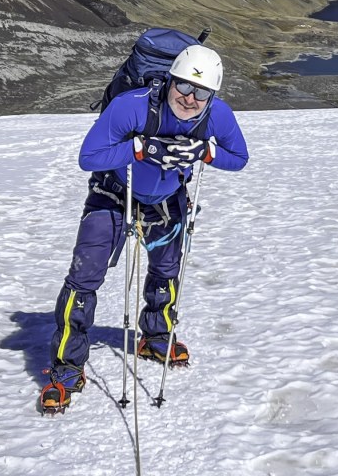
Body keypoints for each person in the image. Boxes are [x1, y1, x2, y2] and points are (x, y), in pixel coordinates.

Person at [40, 44, 249, 412]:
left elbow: (240, 159)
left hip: (166, 200)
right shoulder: (131, 106)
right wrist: (141, 149)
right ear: (169, 80)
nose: (190, 98)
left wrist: (205, 153)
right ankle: (66, 367)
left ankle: (155, 336)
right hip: (114, 194)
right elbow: (89, 157)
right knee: (83, 279)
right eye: (183, 86)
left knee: (166, 271)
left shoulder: (218, 116)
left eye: (201, 92)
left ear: (212, 95)